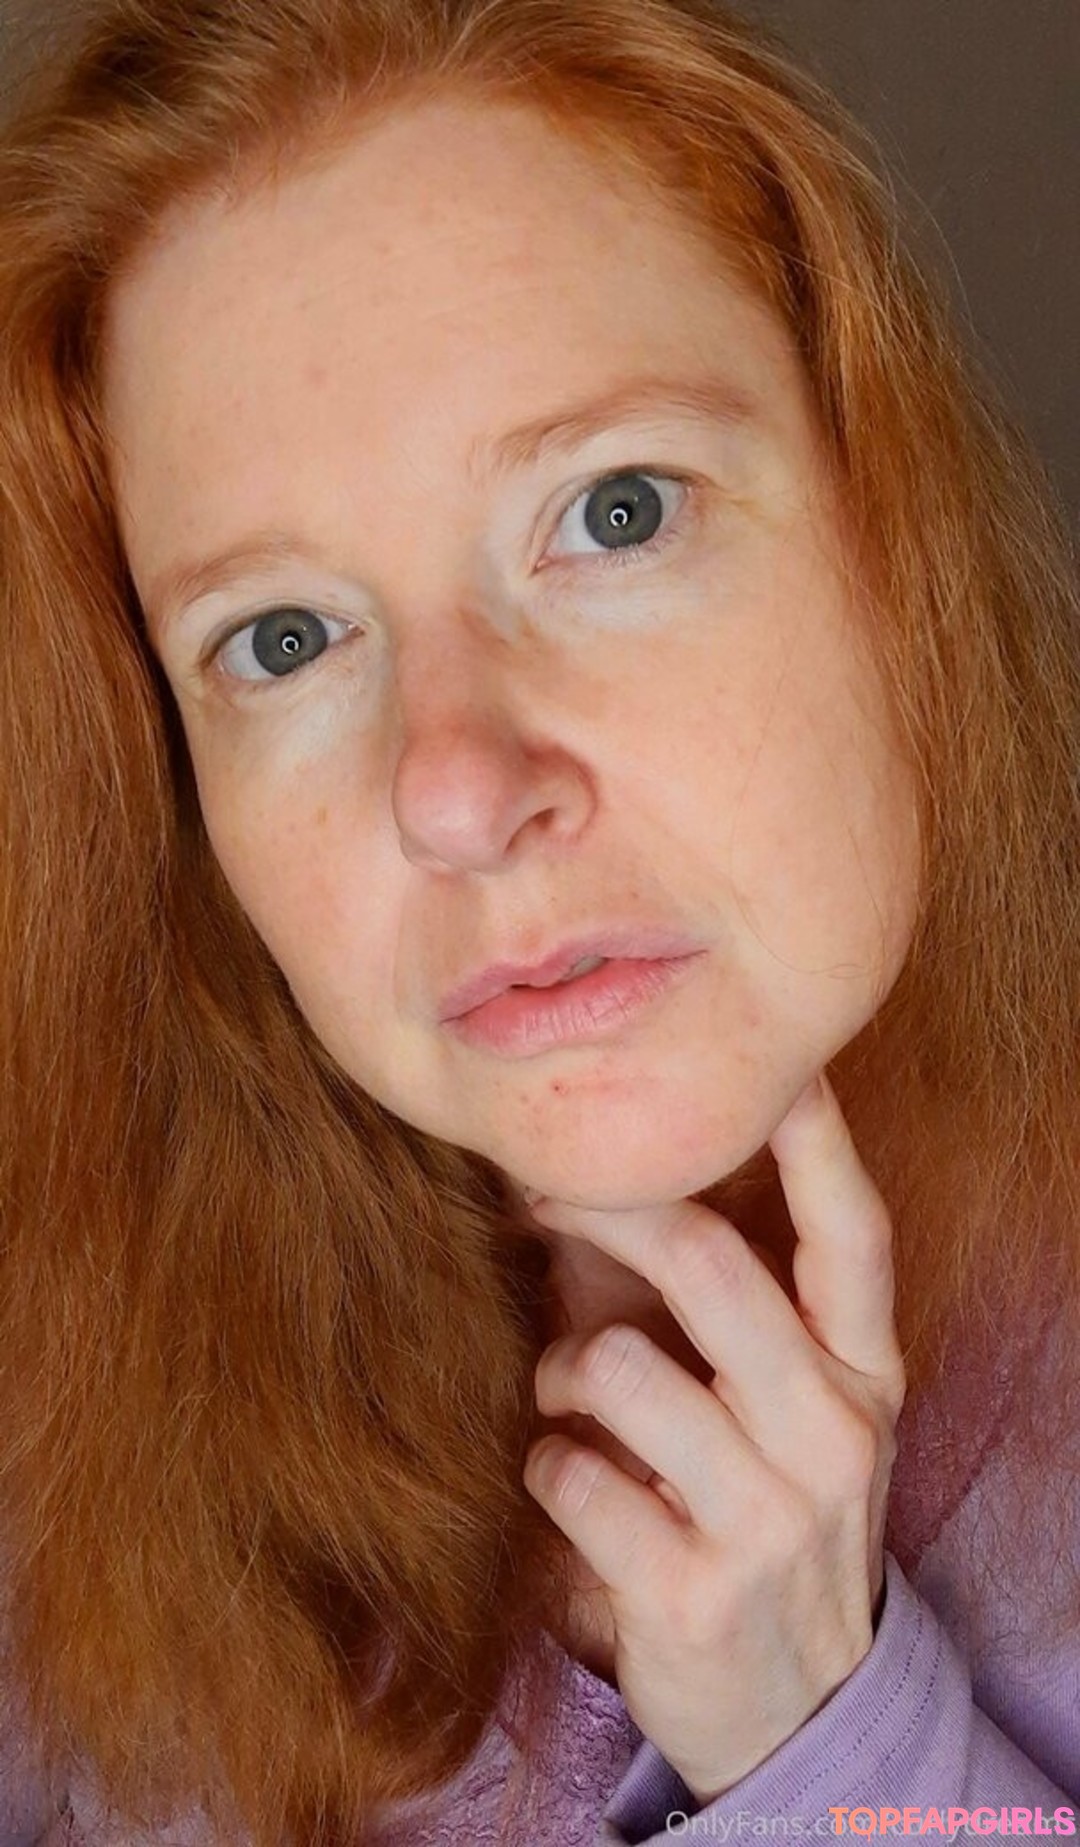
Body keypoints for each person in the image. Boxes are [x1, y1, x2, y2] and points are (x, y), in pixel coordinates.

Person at [0, 0, 1077, 1842]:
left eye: (617, 510)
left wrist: (828, 1744)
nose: (456, 789)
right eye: (282, 638)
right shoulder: (58, 1385)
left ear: (892, 538)